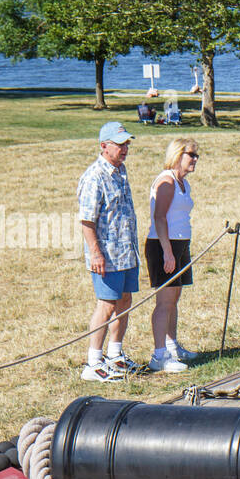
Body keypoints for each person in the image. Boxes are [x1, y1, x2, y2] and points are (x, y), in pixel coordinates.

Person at [77, 122, 142, 381]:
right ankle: (93, 361)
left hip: (126, 252)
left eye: (126, 144)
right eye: (119, 144)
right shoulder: (94, 177)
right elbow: (87, 221)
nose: (125, 149)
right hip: (106, 255)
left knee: (125, 301)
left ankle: (115, 354)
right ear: (104, 146)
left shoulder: (120, 171)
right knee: (106, 305)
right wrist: (96, 254)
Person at [144, 137, 201, 372]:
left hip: (179, 244)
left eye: (197, 155)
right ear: (178, 155)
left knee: (174, 300)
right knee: (164, 302)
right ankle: (159, 355)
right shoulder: (166, 182)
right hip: (162, 245)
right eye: (191, 155)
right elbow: (159, 218)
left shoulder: (182, 183)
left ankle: (172, 346)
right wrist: (167, 252)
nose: (196, 159)